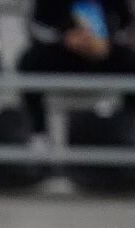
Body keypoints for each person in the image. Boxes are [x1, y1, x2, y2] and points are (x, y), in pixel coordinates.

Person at [18, 0, 135, 134]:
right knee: (29, 61)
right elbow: (36, 25)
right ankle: (38, 132)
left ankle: (129, 129)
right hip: (61, 54)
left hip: (103, 54)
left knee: (130, 62)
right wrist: (64, 38)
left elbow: (126, 25)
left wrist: (106, 41)